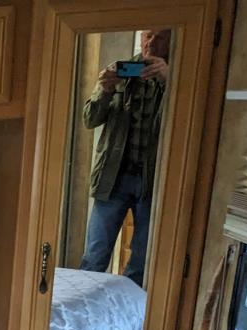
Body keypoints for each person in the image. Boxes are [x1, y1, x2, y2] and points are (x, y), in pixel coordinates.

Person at [78, 29, 170, 287]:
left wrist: (171, 82)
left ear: (171, 41)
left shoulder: (178, 76)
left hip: (154, 182)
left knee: (141, 263)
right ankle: (85, 304)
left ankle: (129, 310)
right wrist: (104, 89)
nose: (152, 42)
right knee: (94, 257)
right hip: (113, 177)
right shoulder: (120, 72)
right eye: (148, 36)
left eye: (160, 37)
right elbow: (90, 119)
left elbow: (188, 123)